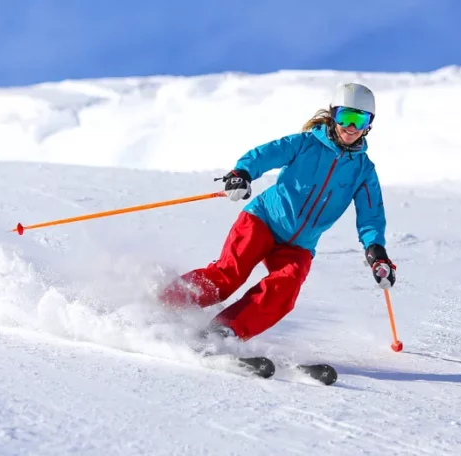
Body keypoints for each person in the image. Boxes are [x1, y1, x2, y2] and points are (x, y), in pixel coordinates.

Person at [159, 82, 396, 341]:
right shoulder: (305, 144)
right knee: (228, 276)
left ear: (369, 125)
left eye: (359, 120)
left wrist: (376, 252)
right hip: (263, 220)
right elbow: (264, 155)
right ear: (332, 115)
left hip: (299, 245)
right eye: (345, 117)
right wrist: (242, 174)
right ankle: (163, 302)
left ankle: (223, 333)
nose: (351, 127)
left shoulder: (364, 171)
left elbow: (370, 215)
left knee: (285, 289)